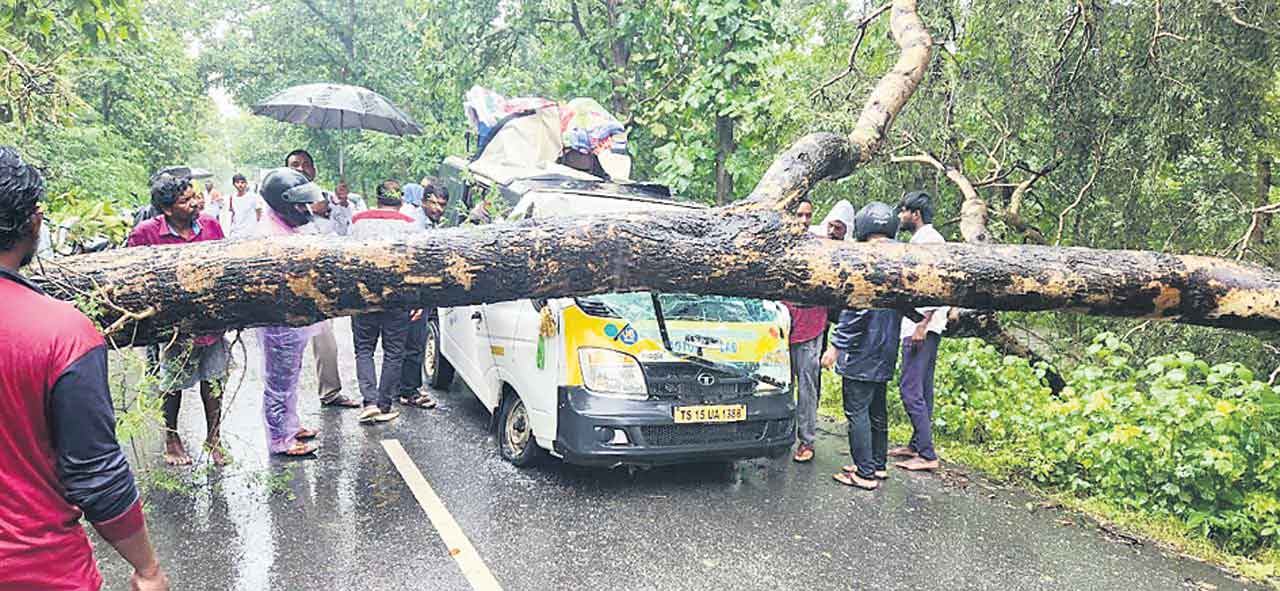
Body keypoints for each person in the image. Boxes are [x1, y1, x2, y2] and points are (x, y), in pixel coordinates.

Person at [0, 147, 169, 590]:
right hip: (39, 570)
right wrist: (147, 568)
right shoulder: (62, 333)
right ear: (34, 222)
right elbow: (96, 474)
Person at [126, 174, 230, 467]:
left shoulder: (210, 225)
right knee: (172, 383)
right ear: (167, 209)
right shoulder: (146, 233)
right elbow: (130, 274)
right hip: (173, 328)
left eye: (194, 196)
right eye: (185, 200)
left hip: (210, 323)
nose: (195, 203)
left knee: (214, 379)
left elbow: (227, 266)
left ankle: (215, 438)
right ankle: (171, 439)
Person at [824, 201, 902, 491]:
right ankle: (877, 464)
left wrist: (835, 347)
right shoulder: (904, 259)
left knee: (857, 411)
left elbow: (855, 310)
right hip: (886, 347)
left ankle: (864, 473)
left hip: (862, 350)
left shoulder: (865, 259)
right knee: (877, 410)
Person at [254, 167, 328, 457]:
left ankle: (290, 425)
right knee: (279, 381)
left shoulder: (285, 226)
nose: (304, 210)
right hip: (279, 321)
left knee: (291, 375)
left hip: (293, 319)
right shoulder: (270, 234)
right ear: (282, 203)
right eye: (299, 205)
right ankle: (279, 439)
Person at [285, 149, 360, 409]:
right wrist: (308, 210)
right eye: (295, 164)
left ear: (314, 170)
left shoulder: (327, 198)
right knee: (287, 349)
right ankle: (285, 406)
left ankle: (330, 392)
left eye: (306, 164)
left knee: (326, 342)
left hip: (320, 283)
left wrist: (340, 205)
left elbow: (343, 233)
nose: (301, 168)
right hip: (289, 283)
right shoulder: (279, 199)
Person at [785, 197, 855, 463]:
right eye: (799, 215)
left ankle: (806, 440)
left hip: (812, 325)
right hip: (780, 326)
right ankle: (779, 436)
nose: (804, 221)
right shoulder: (779, 243)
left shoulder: (826, 246)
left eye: (808, 215)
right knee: (780, 385)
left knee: (807, 386)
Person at [349, 180, 420, 423]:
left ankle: (369, 402)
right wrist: (418, 300)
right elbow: (415, 264)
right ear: (400, 200)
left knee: (364, 349)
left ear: (377, 199)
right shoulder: (410, 225)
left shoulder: (358, 221)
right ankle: (384, 405)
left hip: (363, 296)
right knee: (394, 352)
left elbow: (348, 259)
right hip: (397, 298)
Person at [892, 191, 948, 471]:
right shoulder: (922, 240)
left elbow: (938, 286)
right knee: (922, 389)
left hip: (921, 326)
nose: (900, 216)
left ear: (915, 214)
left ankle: (927, 455)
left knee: (910, 389)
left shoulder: (930, 241)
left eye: (903, 210)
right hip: (921, 324)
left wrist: (922, 324)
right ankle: (916, 445)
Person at [398, 178, 450, 409]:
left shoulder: (431, 224)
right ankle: (408, 391)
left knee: (412, 343)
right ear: (423, 202)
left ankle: (404, 388)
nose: (438, 208)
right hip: (415, 294)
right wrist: (416, 299)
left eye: (442, 204)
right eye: (434, 203)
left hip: (423, 293)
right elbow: (414, 265)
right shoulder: (416, 225)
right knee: (412, 343)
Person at [223, 173, 262, 239]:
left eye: (242, 182)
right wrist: (231, 230)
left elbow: (259, 214)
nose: (240, 185)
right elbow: (232, 215)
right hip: (236, 233)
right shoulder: (231, 198)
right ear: (234, 184)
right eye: (237, 182)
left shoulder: (253, 197)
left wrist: (256, 228)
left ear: (246, 184)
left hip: (250, 233)